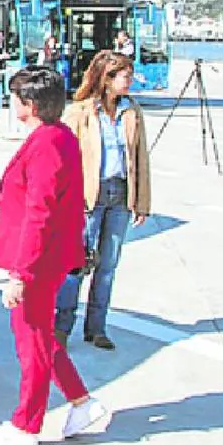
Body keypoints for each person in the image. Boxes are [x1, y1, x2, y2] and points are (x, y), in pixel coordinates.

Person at [0, 66, 109, 445]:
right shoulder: (58, 136)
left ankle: (26, 425)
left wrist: (21, 273)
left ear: (29, 104)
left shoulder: (48, 143)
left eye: (15, 96)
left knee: (31, 340)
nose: (10, 102)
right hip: (46, 256)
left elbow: (40, 211)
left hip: (39, 259)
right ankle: (82, 402)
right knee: (42, 337)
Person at [54, 49, 152, 351]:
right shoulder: (81, 112)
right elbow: (62, 158)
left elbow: (141, 159)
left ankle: (96, 328)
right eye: (125, 76)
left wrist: (143, 202)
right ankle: (61, 326)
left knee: (108, 264)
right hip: (88, 197)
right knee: (76, 263)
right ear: (107, 79)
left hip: (120, 194)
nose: (130, 81)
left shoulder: (131, 111)